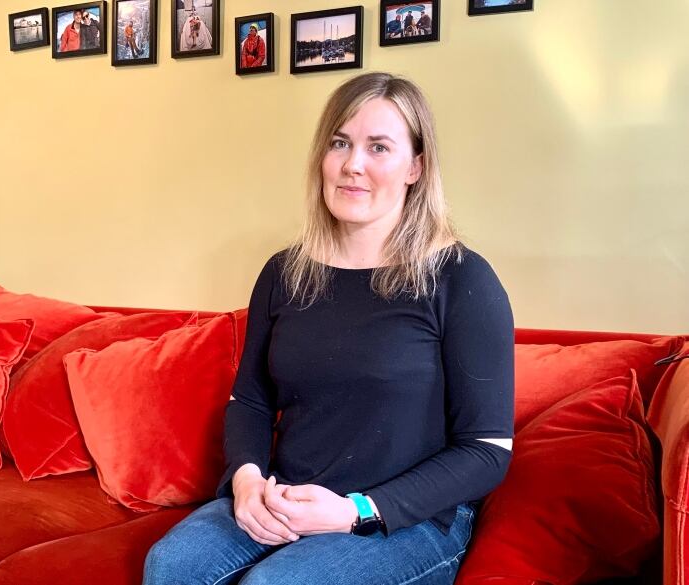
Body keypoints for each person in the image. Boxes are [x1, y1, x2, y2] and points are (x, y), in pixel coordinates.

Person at [143, 72, 514, 585]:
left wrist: (355, 511)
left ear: (416, 167)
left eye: (379, 147)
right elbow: (248, 401)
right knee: (170, 566)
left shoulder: (461, 278)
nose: (352, 165)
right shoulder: (284, 272)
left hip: (405, 519)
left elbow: (487, 450)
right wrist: (247, 481)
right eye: (340, 142)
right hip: (288, 495)